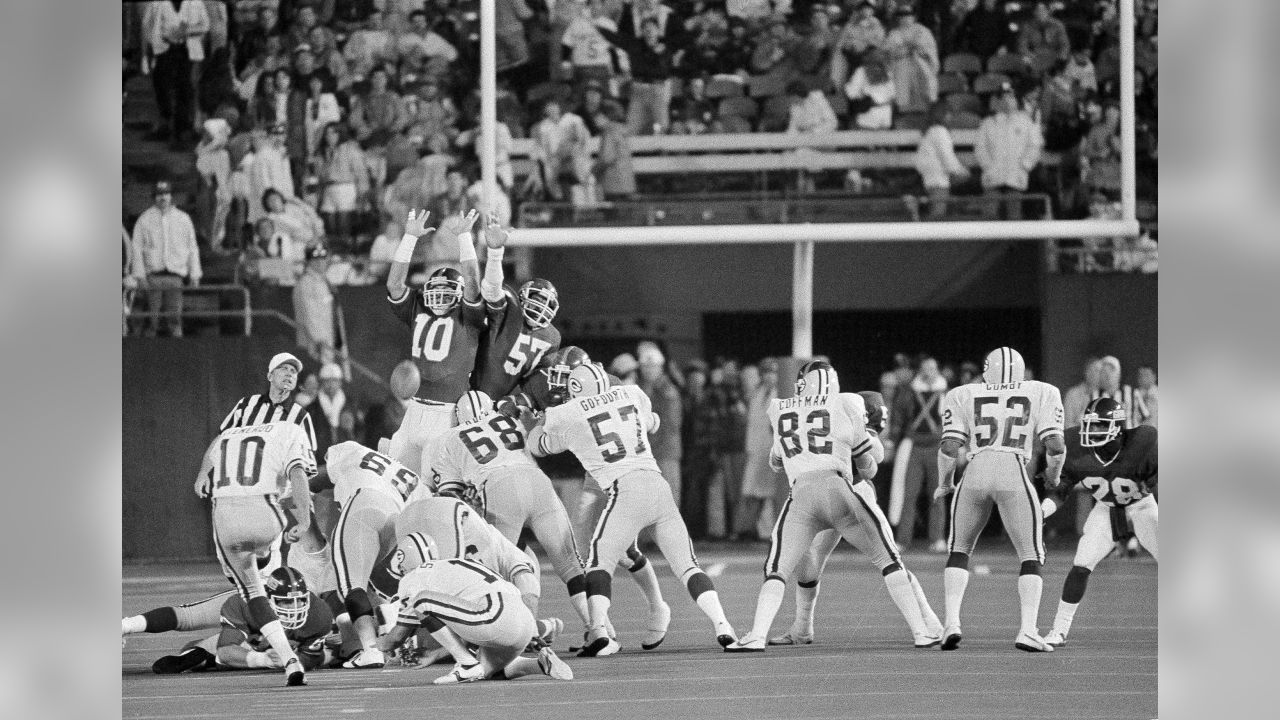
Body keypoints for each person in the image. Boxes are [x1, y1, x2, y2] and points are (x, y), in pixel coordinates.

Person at [725, 362, 942, 651]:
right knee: (874, 559)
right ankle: (806, 628)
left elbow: (776, 461)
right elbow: (871, 465)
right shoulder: (848, 405)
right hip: (844, 494)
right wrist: (865, 435)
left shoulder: (782, 409)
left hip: (813, 495)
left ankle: (756, 635)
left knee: (779, 567)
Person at [529, 364, 737, 657]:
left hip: (624, 492)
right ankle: (723, 626)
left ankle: (599, 631)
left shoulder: (569, 414)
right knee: (688, 566)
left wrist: (536, 421)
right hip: (657, 485)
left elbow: (538, 446)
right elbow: (653, 421)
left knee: (598, 562)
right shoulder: (631, 393)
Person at [494, 347, 672, 651]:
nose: (562, 388)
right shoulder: (548, 383)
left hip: (620, 467)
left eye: (570, 381)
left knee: (616, 549)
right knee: (591, 547)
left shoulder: (615, 386)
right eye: (560, 380)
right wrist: (513, 407)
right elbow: (524, 403)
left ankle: (646, 611)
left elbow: (645, 420)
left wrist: (540, 430)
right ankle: (602, 628)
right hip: (593, 470)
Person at [935, 346, 1065, 653]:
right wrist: (1054, 476)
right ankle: (1028, 630)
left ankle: (951, 623)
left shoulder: (962, 393)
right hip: (1012, 467)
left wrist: (945, 482)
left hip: (976, 469)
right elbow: (1056, 445)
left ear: (985, 370)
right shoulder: (1042, 391)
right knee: (1030, 554)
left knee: (959, 549)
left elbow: (950, 446)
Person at [427, 390, 591, 635]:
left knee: (499, 570)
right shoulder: (509, 420)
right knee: (569, 563)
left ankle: (517, 633)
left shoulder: (448, 438)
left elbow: (451, 497)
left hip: (498, 487)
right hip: (537, 482)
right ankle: (599, 630)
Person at [193, 419, 316, 685]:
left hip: (224, 514)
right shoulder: (291, 430)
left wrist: (203, 475)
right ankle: (291, 660)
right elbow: (298, 474)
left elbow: (213, 448)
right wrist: (304, 520)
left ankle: (285, 658)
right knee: (267, 564)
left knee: (252, 592)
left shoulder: (228, 433)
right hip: (264, 512)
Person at [1040, 398, 1158, 647]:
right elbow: (1060, 490)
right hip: (1106, 508)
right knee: (1082, 562)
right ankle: (1059, 630)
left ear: (1117, 426)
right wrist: (1040, 513)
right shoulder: (1075, 447)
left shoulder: (1143, 443)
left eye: (1099, 425)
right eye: (1089, 425)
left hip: (1142, 506)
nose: (1091, 432)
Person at [376, 545, 573, 684]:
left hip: (496, 612)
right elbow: (468, 632)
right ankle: (540, 665)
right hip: (518, 618)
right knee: (488, 670)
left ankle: (466, 664)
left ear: (402, 561)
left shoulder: (414, 577)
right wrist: (435, 655)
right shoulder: (451, 568)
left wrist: (378, 645)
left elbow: (396, 637)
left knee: (422, 601)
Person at [384, 208, 486, 475]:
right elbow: (395, 284)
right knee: (395, 479)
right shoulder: (418, 308)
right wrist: (409, 239)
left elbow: (473, 281)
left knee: (433, 485)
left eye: (447, 292)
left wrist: (465, 238)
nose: (440, 298)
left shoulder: (469, 314)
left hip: (447, 413)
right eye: (435, 291)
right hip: (414, 408)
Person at [309, 440, 423, 668]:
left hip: (363, 504)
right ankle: (392, 633)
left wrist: (293, 489)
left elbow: (316, 480)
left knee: (351, 586)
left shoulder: (354, 449)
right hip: (398, 519)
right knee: (375, 586)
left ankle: (371, 650)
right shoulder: (414, 477)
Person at [149, 567, 333, 675]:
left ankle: (203, 655)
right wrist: (264, 659)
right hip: (251, 618)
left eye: (300, 600)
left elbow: (317, 655)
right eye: (286, 601)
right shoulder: (249, 604)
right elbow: (227, 647)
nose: (294, 608)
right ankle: (201, 653)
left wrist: (298, 659)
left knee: (334, 652)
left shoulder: (319, 612)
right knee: (190, 620)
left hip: (281, 636)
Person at [468, 217, 563, 399]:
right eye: (536, 300)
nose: (540, 308)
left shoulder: (552, 337)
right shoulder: (509, 311)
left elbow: (536, 378)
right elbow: (491, 287)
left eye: (546, 304)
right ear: (521, 298)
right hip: (472, 388)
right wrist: (495, 252)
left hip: (506, 398)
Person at [888, 356, 949, 553]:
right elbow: (897, 418)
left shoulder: (946, 392)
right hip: (913, 446)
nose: (929, 372)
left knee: (937, 494)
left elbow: (955, 420)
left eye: (932, 368)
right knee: (908, 494)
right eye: (925, 368)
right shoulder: (908, 391)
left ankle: (937, 538)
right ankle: (903, 540)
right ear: (920, 371)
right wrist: (892, 441)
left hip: (937, 447)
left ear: (937, 370)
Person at [129, 181, 203, 338]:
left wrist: (195, 274)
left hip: (175, 276)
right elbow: (137, 248)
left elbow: (192, 248)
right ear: (154, 197)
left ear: (171, 196)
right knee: (151, 319)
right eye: (159, 194)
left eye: (165, 194)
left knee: (175, 319)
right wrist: (140, 276)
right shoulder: (145, 219)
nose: (162, 197)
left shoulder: (183, 219)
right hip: (153, 277)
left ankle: (178, 351)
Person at [143, 0, 210, 146]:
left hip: (187, 50)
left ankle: (182, 129)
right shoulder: (159, 3)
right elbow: (148, 25)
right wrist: (153, 46)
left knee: (184, 89)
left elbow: (205, 25)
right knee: (161, 86)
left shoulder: (196, 3)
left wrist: (185, 31)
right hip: (165, 49)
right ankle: (165, 124)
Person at [220, 353, 318, 453]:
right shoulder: (246, 404)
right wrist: (204, 469)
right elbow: (220, 441)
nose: (289, 373)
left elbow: (308, 455)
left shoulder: (301, 415)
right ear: (270, 376)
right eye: (284, 368)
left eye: (293, 371)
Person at [975, 83, 1043, 220]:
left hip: (1016, 175)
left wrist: (1025, 165)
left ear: (1016, 100)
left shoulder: (1026, 122)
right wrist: (988, 166)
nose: (1007, 100)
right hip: (993, 176)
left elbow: (1035, 146)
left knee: (1014, 215)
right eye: (1004, 97)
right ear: (998, 101)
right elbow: (980, 148)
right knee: (989, 215)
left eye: (1011, 97)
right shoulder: (987, 123)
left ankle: (1012, 241)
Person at [735, 358, 785, 540]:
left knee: (771, 493)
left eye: (772, 372)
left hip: (772, 449)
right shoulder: (757, 392)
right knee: (753, 492)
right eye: (766, 373)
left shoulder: (782, 392)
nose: (769, 376)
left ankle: (769, 532)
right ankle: (755, 530)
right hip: (756, 448)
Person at [637, 342, 683, 504]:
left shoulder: (667, 391)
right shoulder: (642, 387)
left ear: (660, 368)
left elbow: (670, 425)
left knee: (668, 500)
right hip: (649, 453)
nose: (647, 370)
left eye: (651, 367)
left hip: (665, 453)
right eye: (644, 367)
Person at [915, 100, 971, 219]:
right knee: (937, 215)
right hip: (938, 179)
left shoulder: (930, 131)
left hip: (932, 178)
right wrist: (961, 171)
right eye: (948, 113)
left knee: (935, 213)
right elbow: (947, 157)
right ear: (942, 114)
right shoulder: (940, 131)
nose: (950, 117)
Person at [883, 5, 938, 115]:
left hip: (921, 67)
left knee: (925, 93)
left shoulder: (923, 31)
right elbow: (888, 53)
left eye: (908, 16)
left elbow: (931, 52)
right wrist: (905, 50)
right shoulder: (894, 33)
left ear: (914, 17)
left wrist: (919, 49)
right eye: (902, 16)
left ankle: (926, 113)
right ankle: (902, 115)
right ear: (898, 18)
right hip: (901, 68)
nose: (905, 18)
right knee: (901, 95)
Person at [292, 244, 336, 362]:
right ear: (309, 262)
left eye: (323, 259)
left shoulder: (323, 281)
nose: (320, 263)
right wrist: (318, 339)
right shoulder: (306, 283)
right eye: (315, 260)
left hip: (326, 339)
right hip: (313, 343)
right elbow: (308, 313)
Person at [1017, 1, 1071, 65]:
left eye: (1044, 10)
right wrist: (1031, 55)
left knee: (1066, 58)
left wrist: (1061, 56)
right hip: (1035, 55)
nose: (1041, 13)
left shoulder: (1058, 25)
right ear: (1034, 13)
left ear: (1048, 11)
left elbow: (1065, 44)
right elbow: (1022, 46)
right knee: (1024, 60)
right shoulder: (1027, 26)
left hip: (1054, 54)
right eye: (1038, 11)